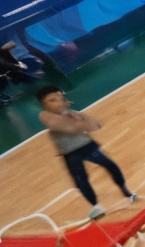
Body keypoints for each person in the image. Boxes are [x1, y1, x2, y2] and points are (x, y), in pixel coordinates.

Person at [36, 86, 135, 220]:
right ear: (43, 104)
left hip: (87, 146)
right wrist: (77, 120)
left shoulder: (71, 113)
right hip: (70, 153)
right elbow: (65, 127)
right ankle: (95, 206)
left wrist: (79, 117)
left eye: (61, 98)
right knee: (81, 180)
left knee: (110, 165)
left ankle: (125, 190)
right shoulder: (45, 116)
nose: (59, 102)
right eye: (53, 100)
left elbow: (96, 125)